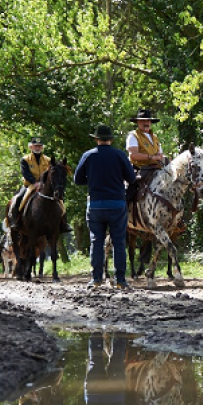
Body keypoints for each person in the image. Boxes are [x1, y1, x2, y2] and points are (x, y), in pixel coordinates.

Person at [74, 123, 136, 290]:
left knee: (96, 241)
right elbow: (131, 178)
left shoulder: (88, 155)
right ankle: (121, 280)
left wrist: (94, 180)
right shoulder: (120, 155)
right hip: (117, 204)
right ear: (110, 139)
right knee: (119, 242)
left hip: (95, 205)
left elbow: (77, 180)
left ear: (96, 139)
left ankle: (96, 279)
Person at [126, 108, 165, 172]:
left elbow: (160, 154)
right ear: (138, 122)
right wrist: (151, 157)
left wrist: (160, 156)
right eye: (143, 121)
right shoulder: (133, 136)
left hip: (156, 169)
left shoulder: (155, 137)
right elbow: (133, 155)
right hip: (140, 170)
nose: (146, 123)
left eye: (148, 121)